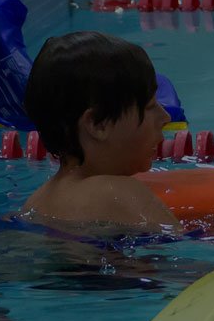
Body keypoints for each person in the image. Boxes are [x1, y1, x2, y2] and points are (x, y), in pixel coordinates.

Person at [19, 31, 179, 229]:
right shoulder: (119, 193)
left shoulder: (34, 203)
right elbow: (179, 252)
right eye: (150, 106)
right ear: (97, 124)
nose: (166, 117)